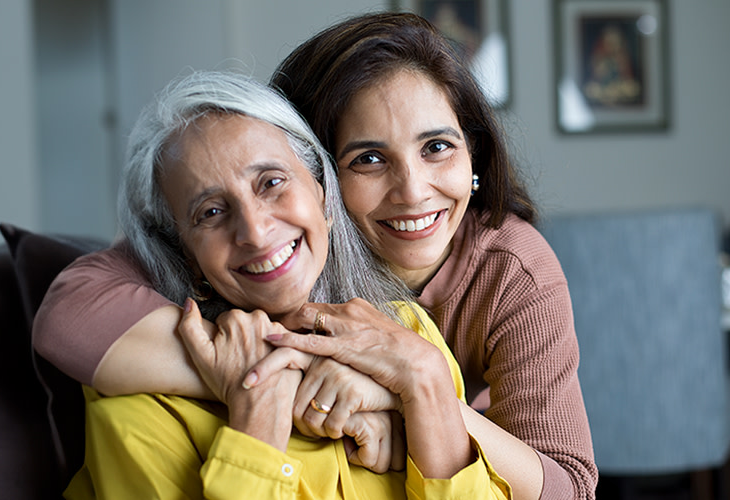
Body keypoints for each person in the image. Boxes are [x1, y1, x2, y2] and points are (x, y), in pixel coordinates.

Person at [35, 12, 594, 500]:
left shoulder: (458, 305)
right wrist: (287, 375)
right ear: (325, 174)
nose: (414, 190)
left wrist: (419, 397)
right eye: (369, 159)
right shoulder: (245, 259)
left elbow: (567, 487)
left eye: (437, 147)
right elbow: (71, 314)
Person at [64, 69, 508, 499]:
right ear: (188, 258)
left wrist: (426, 382)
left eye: (271, 183)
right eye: (212, 213)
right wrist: (257, 421)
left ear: (322, 194)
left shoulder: (409, 335)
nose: (255, 232)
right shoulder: (138, 408)